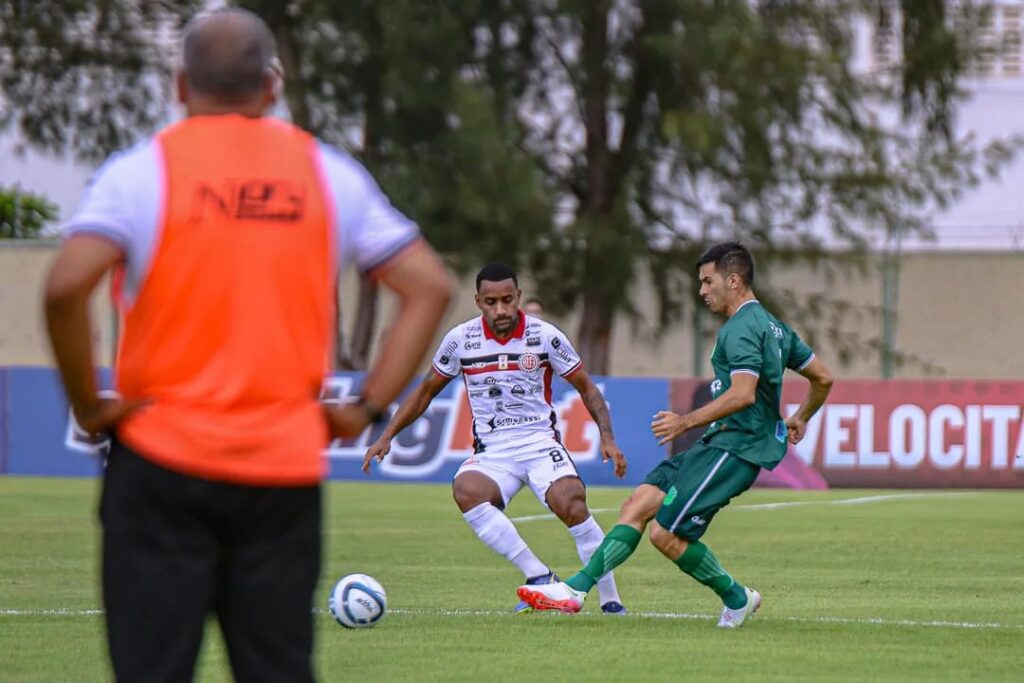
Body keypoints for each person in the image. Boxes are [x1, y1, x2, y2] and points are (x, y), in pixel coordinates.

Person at [43, 8, 453, 681]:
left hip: (159, 463)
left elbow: (63, 287)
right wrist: (365, 405)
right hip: (280, 471)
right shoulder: (327, 173)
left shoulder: (140, 172)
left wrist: (90, 404)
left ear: (180, 86)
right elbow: (429, 286)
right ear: (271, 86)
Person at [517, 242, 834, 628]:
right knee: (638, 503)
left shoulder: (741, 328)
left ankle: (737, 597)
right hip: (720, 442)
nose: (701, 291)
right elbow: (823, 377)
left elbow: (743, 393)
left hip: (737, 448)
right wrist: (800, 416)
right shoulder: (775, 326)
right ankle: (577, 589)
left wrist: (685, 422)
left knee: (665, 535)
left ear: (733, 280)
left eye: (707, 281)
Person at [362, 263, 630, 614]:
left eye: (507, 300)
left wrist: (607, 437)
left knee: (572, 503)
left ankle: (611, 601)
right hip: (493, 451)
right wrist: (387, 435)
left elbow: (588, 389)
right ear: (478, 301)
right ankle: (538, 577)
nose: (501, 309)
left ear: (518, 296)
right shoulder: (461, 340)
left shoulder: (545, 336)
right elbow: (425, 391)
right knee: (467, 491)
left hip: (539, 443)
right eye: (491, 302)